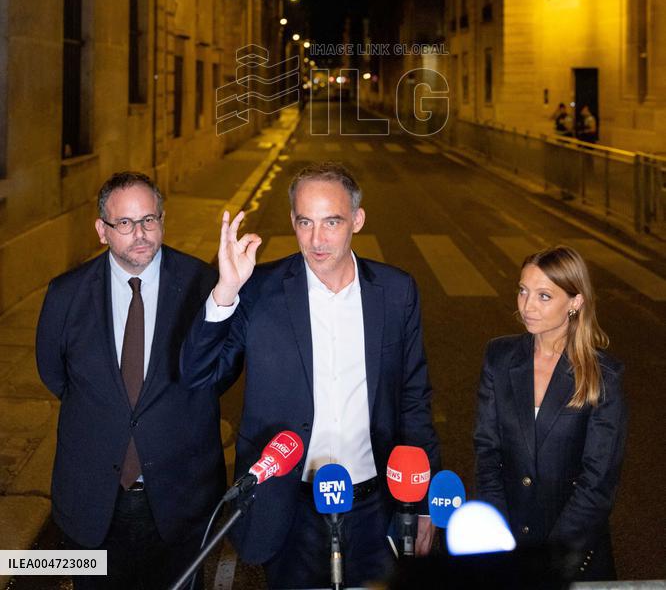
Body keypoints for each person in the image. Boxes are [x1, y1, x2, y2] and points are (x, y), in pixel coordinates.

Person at [181, 161, 440, 589]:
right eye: (305, 222)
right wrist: (226, 290)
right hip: (290, 506)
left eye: (331, 222)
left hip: (374, 507)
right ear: (293, 222)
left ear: (356, 220)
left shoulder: (396, 292)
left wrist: (424, 500)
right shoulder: (258, 289)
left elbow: (413, 397)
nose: (317, 240)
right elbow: (198, 378)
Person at [36, 171, 224, 589]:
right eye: (124, 223)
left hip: (180, 498)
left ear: (162, 219)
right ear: (102, 230)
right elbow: (55, 375)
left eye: (149, 220)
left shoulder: (203, 285)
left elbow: (220, 376)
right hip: (93, 501)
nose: (139, 234)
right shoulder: (65, 294)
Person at [474, 245, 626, 582]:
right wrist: (501, 537)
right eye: (523, 291)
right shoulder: (499, 357)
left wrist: (548, 561)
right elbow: (487, 452)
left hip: (573, 556)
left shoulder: (603, 376)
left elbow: (597, 483)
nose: (527, 306)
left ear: (575, 302)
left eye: (544, 296)